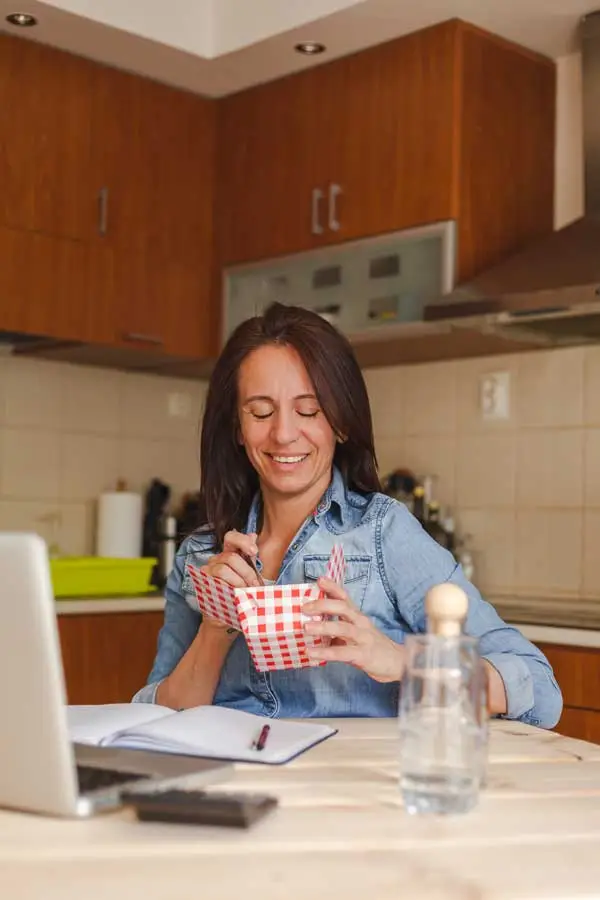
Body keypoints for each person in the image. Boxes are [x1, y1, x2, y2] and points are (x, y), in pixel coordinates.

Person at [133, 302, 562, 728]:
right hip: (231, 786)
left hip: (351, 789)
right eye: (261, 412)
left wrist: (400, 661)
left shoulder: (383, 533)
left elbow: (539, 690)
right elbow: (153, 720)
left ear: (340, 423)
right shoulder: (200, 555)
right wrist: (215, 627)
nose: (283, 434)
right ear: (237, 429)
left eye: (309, 410)